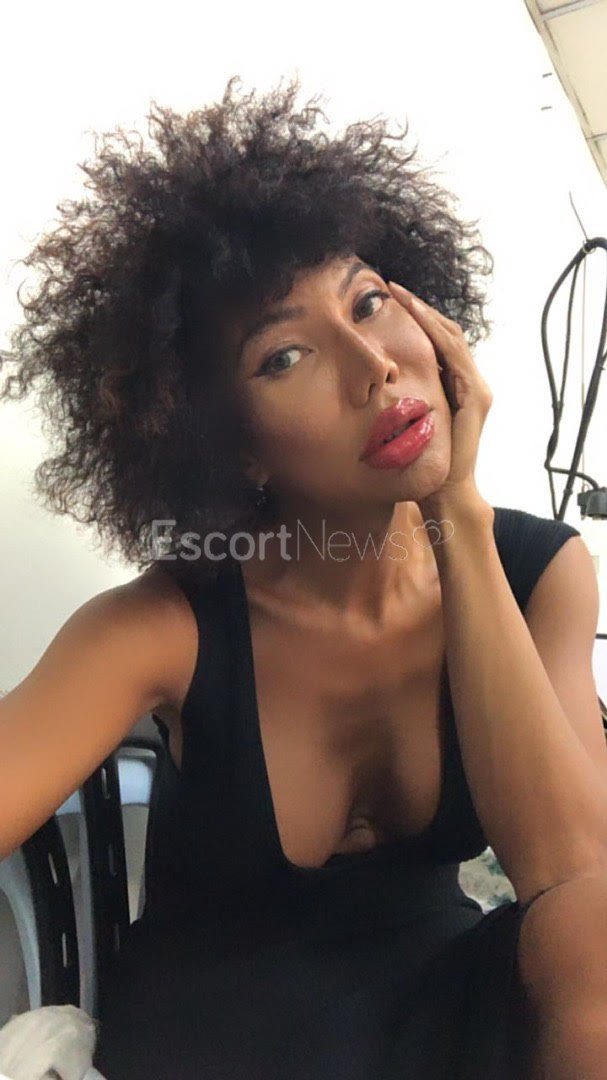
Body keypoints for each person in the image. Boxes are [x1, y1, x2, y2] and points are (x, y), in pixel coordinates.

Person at [2, 74, 607, 1080]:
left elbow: (569, 874)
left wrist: (456, 514)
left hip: (438, 1002)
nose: (373, 364)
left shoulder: (538, 572)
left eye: (368, 300)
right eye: (285, 356)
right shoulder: (167, 625)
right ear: (228, 445)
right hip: (220, 1041)